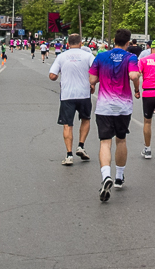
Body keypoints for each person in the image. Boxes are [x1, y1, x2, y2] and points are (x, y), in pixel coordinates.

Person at [89, 29, 141, 200]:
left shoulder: (101, 57)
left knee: (105, 142)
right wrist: (136, 81)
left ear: (113, 40)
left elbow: (92, 80)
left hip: (104, 106)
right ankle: (119, 177)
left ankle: (106, 176)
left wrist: (100, 78)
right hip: (123, 107)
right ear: (128, 43)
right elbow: (134, 75)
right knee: (121, 139)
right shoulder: (130, 58)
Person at [48, 33, 95, 166]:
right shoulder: (88, 56)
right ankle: (81, 145)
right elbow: (96, 71)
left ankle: (69, 154)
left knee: (67, 124)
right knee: (86, 119)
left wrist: (59, 74)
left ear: (67, 44)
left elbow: (52, 75)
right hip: (84, 94)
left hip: (67, 95)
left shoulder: (61, 57)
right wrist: (92, 84)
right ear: (81, 43)